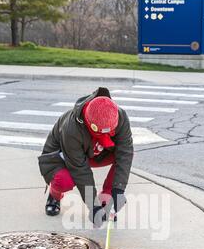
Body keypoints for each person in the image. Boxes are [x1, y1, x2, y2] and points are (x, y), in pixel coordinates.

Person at [38, 87, 134, 227]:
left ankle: (106, 200)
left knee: (126, 155)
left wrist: (118, 190)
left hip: (97, 152)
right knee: (63, 181)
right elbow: (80, 170)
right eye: (103, 133)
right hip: (66, 157)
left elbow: (125, 153)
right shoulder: (71, 128)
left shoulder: (119, 116)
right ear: (91, 126)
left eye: (111, 131)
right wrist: (93, 206)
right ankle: (54, 195)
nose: (110, 134)